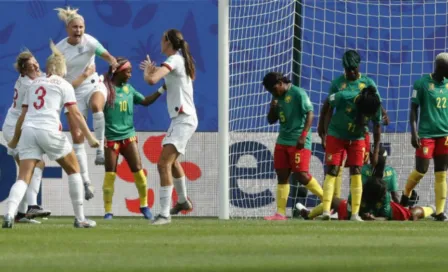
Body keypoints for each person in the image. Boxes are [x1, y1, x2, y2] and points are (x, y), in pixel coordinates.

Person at [3, 41, 99, 228]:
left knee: (23, 176)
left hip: (28, 130)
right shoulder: (64, 85)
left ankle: (9, 214)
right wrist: (90, 136)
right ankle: (80, 219)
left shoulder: (34, 83)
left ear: (47, 67)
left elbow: (23, 115)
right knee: (74, 169)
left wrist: (15, 139)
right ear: (63, 69)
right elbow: (75, 113)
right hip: (48, 130)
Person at [54, 7, 119, 200]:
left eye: (81, 27)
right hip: (72, 92)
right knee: (77, 136)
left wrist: (112, 62)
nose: (79, 30)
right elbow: (58, 77)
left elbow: (105, 54)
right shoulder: (60, 50)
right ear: (67, 28)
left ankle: (100, 150)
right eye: (75, 27)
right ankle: (86, 182)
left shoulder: (90, 41)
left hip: (93, 85)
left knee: (97, 107)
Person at [140, 29, 197, 225]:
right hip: (183, 118)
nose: (160, 43)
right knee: (172, 163)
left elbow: (151, 80)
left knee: (162, 164)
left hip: (184, 118)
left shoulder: (174, 60)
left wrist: (148, 72)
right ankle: (182, 202)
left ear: (167, 41)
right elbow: (164, 85)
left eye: (161, 39)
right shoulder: (179, 61)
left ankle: (164, 214)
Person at [317, 50, 389, 198]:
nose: (351, 72)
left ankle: (353, 206)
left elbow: (376, 103)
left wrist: (383, 113)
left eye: (353, 68)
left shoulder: (368, 83)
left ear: (359, 66)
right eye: (347, 69)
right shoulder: (338, 84)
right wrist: (323, 131)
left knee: (357, 169)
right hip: (339, 132)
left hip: (360, 134)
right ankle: (334, 204)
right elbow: (328, 108)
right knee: (336, 168)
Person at [102, 57, 164, 220]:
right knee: (110, 175)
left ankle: (144, 206)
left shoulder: (129, 89)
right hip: (111, 139)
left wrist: (162, 89)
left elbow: (145, 101)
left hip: (128, 136)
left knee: (138, 171)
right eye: (127, 72)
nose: (130, 75)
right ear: (117, 72)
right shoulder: (105, 90)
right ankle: (108, 212)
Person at [299, 147, 434, 221]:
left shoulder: (364, 171)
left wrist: (373, 218)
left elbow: (386, 216)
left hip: (375, 205)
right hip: (364, 203)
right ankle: (312, 214)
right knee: (335, 201)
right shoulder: (390, 172)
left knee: (413, 215)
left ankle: (432, 209)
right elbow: (394, 195)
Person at [261, 72, 323, 220]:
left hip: (298, 140)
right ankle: (280, 214)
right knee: (282, 176)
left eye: (274, 89)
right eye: (270, 91)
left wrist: (304, 135)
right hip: (282, 140)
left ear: (281, 83)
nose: (273, 93)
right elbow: (271, 120)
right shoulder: (276, 97)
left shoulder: (298, 93)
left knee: (301, 175)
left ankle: (327, 201)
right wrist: (272, 108)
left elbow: (310, 114)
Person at [2, 50, 51, 224]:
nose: (37, 66)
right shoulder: (29, 85)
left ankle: (20, 214)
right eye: (32, 65)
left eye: (36, 62)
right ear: (23, 70)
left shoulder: (30, 80)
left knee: (29, 169)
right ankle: (31, 206)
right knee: (34, 165)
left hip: (17, 125)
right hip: (17, 127)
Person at [321, 85, 382, 221]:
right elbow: (327, 103)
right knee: (333, 169)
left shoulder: (375, 105)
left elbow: (377, 126)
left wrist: (376, 150)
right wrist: (324, 132)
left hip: (357, 138)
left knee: (356, 170)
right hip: (336, 135)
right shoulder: (344, 96)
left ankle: (355, 214)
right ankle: (326, 211)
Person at [401, 52, 448, 221]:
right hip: (426, 134)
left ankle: (440, 212)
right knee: (421, 170)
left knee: (441, 172)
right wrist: (414, 132)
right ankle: (406, 194)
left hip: (445, 135)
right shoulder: (421, 84)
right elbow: (413, 109)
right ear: (441, 67)